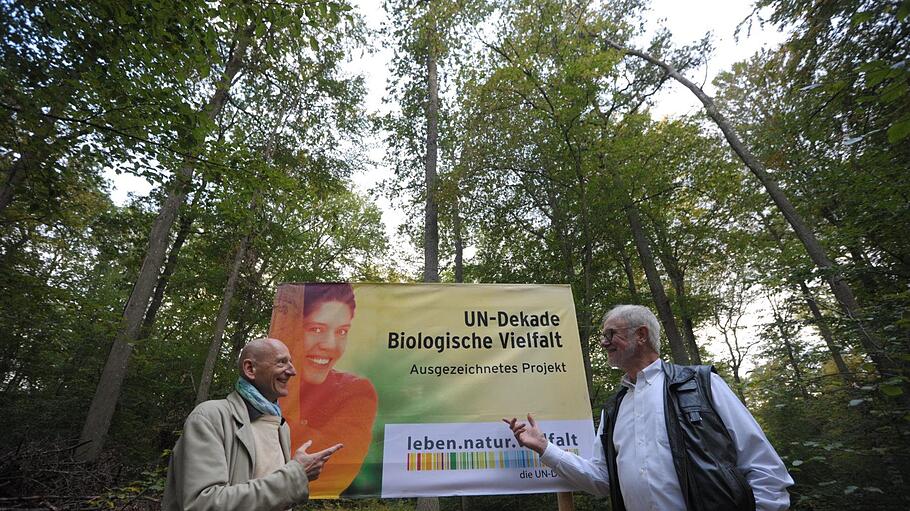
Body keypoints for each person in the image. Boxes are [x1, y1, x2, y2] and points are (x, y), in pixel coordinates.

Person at [504, 304, 793, 511]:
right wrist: (545, 448)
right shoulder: (613, 409)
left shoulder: (701, 385)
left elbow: (765, 468)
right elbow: (601, 480)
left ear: (641, 335)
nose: (604, 343)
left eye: (611, 334)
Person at [162, 337, 342, 511]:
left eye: (291, 362)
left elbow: (274, 498)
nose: (292, 371)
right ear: (250, 369)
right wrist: (296, 475)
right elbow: (203, 503)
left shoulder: (281, 427)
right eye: (281, 362)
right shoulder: (210, 417)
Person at [269, 283, 378, 497]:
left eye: (342, 331)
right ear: (292, 330)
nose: (330, 344)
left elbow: (334, 471)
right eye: (316, 329)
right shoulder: (259, 387)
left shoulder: (356, 391)